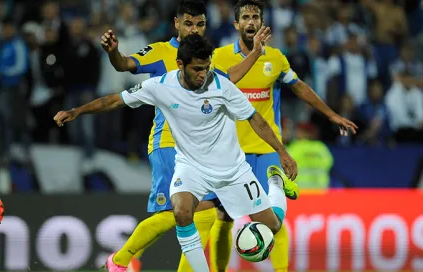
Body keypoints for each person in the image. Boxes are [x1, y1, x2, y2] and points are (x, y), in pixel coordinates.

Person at [54, 33, 298, 272]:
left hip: (232, 171)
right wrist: (78, 111)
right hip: (191, 168)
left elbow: (256, 120)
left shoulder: (221, 85)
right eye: (197, 69)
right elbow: (115, 101)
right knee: (181, 212)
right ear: (180, 65)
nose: (203, 74)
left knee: (272, 226)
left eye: (206, 67)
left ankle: (275, 182)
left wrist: (282, 153)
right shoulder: (161, 86)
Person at [98, 0, 271, 271]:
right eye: (188, 23)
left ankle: (123, 262)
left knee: (211, 214)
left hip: (201, 152)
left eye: (200, 24)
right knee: (182, 213)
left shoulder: (202, 56)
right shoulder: (160, 52)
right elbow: (124, 65)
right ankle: (118, 261)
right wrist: (113, 53)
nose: (194, 29)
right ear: (177, 23)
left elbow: (227, 79)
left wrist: (254, 54)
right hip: (169, 143)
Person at [209, 1, 358, 271]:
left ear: (263, 23)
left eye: (256, 16)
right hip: (231, 153)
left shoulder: (276, 58)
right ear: (236, 24)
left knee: (272, 221)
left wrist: (331, 114)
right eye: (245, 17)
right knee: (223, 216)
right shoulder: (219, 57)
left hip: (267, 149)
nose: (251, 22)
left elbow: (299, 87)